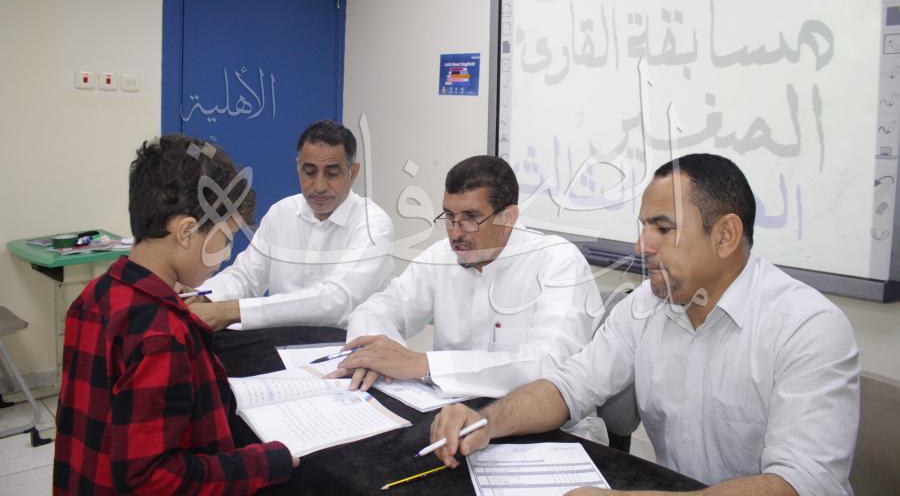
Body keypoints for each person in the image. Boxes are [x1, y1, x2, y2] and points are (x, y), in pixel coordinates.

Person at [430, 153, 860, 496]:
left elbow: (804, 483)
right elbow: (569, 386)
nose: (641, 245)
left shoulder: (808, 327)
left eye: (663, 228)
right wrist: (485, 421)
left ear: (726, 235)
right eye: (643, 227)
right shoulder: (645, 305)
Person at [53, 135, 296, 494]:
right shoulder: (162, 334)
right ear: (186, 232)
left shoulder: (93, 297)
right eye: (225, 239)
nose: (226, 255)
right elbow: (153, 478)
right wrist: (263, 463)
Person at [332, 155, 603, 399]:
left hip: (542, 427)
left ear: (508, 217)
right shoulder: (441, 256)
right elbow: (377, 309)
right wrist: (377, 356)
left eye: (471, 218)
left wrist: (423, 364)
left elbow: (548, 365)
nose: (456, 232)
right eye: (450, 217)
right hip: (448, 412)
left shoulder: (558, 261)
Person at [189, 120, 394, 331]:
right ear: (298, 168)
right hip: (283, 342)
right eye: (309, 172)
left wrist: (231, 311)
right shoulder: (282, 212)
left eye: (332, 173)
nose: (319, 186)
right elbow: (245, 276)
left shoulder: (373, 224)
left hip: (352, 344)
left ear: (353, 172)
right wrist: (203, 297)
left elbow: (336, 300)